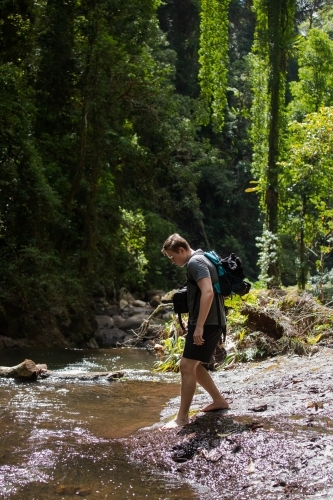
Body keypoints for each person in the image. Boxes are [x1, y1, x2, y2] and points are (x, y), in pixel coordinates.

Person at [161, 233, 229, 428]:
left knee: (186, 366)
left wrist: (199, 326)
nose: (173, 261)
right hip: (211, 321)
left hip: (207, 323)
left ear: (181, 250)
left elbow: (207, 292)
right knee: (193, 365)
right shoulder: (203, 257)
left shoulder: (195, 263)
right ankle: (219, 401)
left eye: (172, 257)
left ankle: (182, 418)